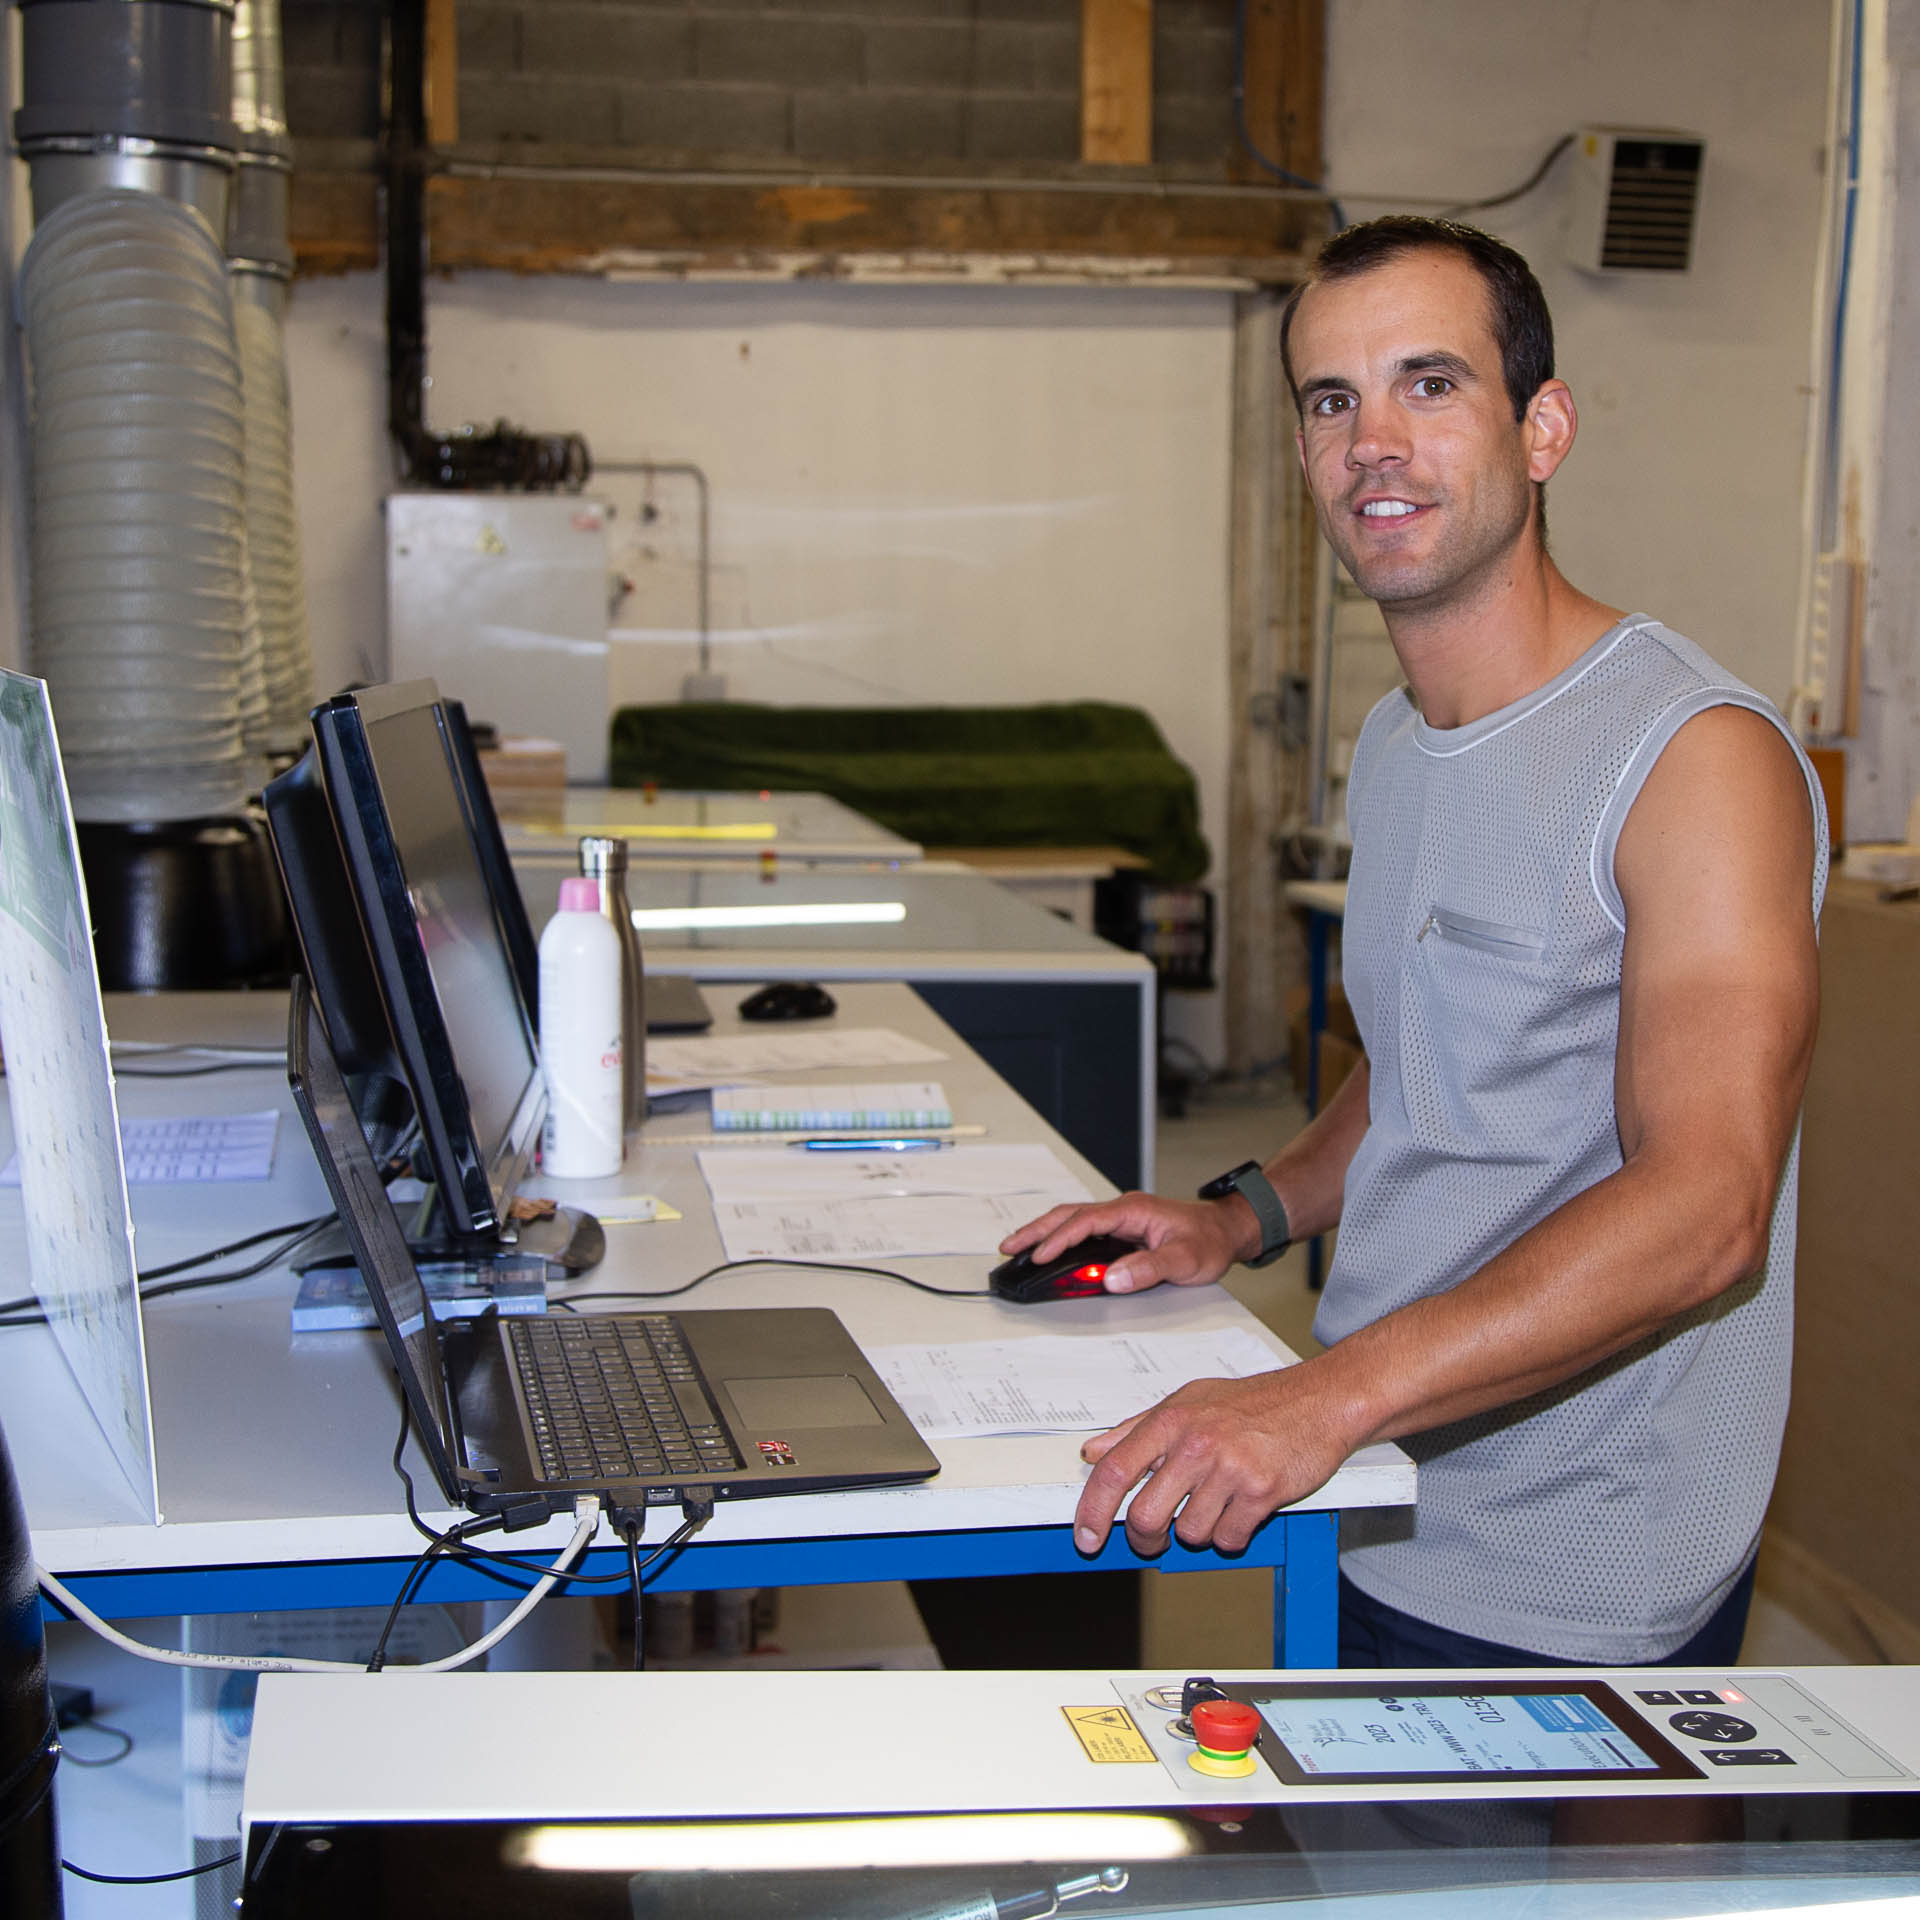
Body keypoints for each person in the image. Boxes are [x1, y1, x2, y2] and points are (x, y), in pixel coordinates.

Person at [1001, 216, 1827, 1669]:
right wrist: (1241, 1217)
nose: (1372, 440)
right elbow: (1423, 1065)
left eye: (1429, 385)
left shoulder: (1693, 758)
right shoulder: (1397, 739)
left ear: (1543, 426)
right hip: (1373, 1487)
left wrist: (1325, 1397)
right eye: (1333, 400)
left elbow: (1707, 1208)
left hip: (1580, 1563)